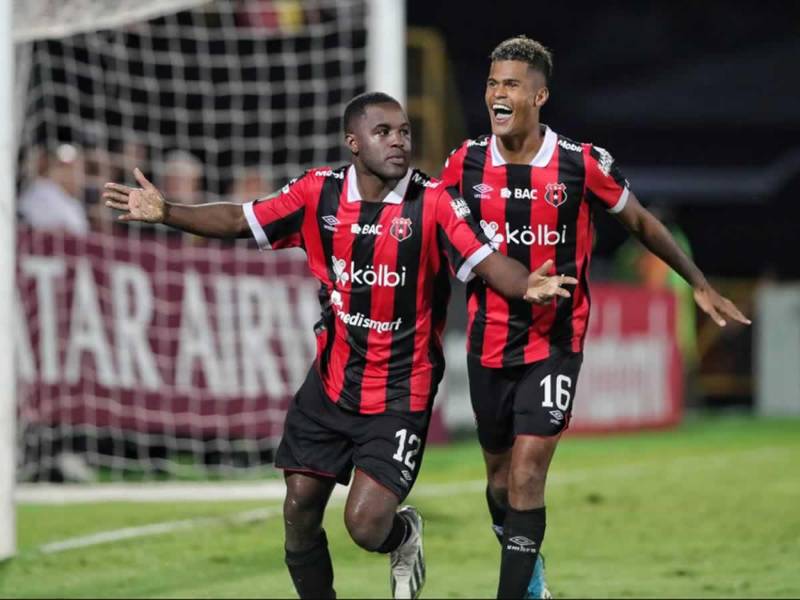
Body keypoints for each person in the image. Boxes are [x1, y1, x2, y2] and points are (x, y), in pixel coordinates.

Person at [102, 91, 577, 600]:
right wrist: (168, 211)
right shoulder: (317, 193)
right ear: (353, 142)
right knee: (298, 510)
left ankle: (404, 536)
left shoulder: (433, 201)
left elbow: (484, 259)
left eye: (404, 132)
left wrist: (523, 283)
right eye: (383, 132)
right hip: (329, 387)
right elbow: (242, 220)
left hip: (399, 394)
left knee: (366, 525)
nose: (398, 141)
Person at [439, 36, 751, 600]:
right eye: (492, 83)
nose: (498, 94)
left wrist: (698, 281)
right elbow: (440, 230)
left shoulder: (580, 163)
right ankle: (531, 573)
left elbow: (641, 224)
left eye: (511, 84)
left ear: (539, 96)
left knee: (529, 473)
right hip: (489, 342)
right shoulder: (463, 162)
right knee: (499, 481)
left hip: (556, 340)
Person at [18, 143, 89, 235]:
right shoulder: (41, 189)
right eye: (63, 167)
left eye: (73, 168)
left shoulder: (74, 204)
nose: (71, 174)